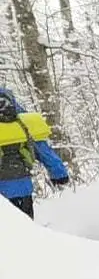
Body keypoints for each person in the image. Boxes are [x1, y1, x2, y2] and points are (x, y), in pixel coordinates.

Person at [0, 86, 70, 218]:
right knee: (26, 232)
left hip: (2, 198)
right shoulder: (21, 121)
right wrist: (59, 173)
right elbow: (42, 148)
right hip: (22, 188)